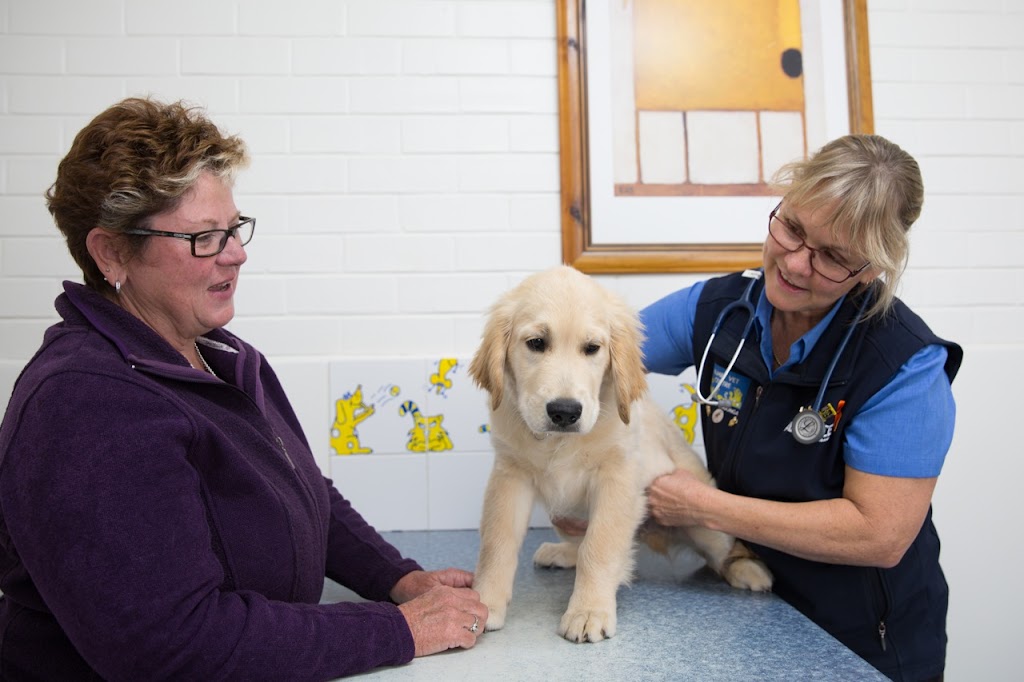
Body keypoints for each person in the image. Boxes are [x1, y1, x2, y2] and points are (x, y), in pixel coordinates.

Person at [0, 97, 487, 681]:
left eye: (233, 228)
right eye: (204, 237)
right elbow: (173, 644)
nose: (236, 254)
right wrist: (399, 629)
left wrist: (399, 578)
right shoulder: (88, 403)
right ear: (111, 253)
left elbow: (300, 492)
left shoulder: (217, 355)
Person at [637, 134, 961, 681]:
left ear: (871, 270)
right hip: (744, 610)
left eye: (832, 257)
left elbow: (878, 534)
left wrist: (702, 507)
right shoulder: (717, 311)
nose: (794, 263)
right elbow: (597, 358)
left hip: (862, 642)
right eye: (791, 227)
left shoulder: (902, 366)